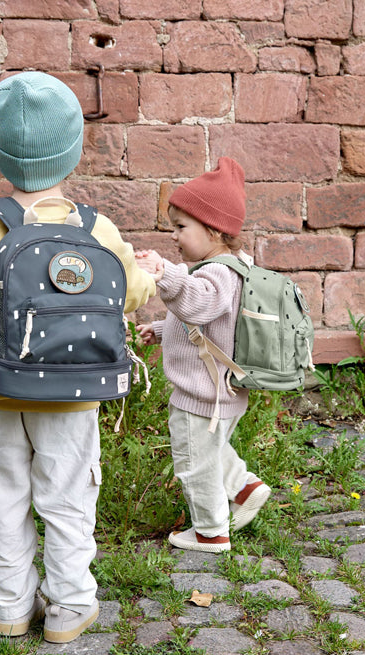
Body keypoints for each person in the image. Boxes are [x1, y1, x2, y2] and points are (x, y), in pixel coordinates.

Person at [0, 72, 156, 642]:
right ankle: (70, 606)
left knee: (2, 497)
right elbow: (130, 293)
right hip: (74, 395)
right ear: (73, 150)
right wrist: (148, 275)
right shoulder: (96, 228)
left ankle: (10, 607)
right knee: (68, 498)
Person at [135, 157, 270, 553]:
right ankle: (244, 488)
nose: (174, 236)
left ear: (213, 229)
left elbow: (198, 304)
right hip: (221, 390)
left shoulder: (217, 272)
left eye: (181, 227)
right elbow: (213, 324)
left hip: (203, 395)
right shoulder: (236, 267)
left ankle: (211, 532)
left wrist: (165, 272)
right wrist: (162, 330)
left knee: (194, 460)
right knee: (209, 449)